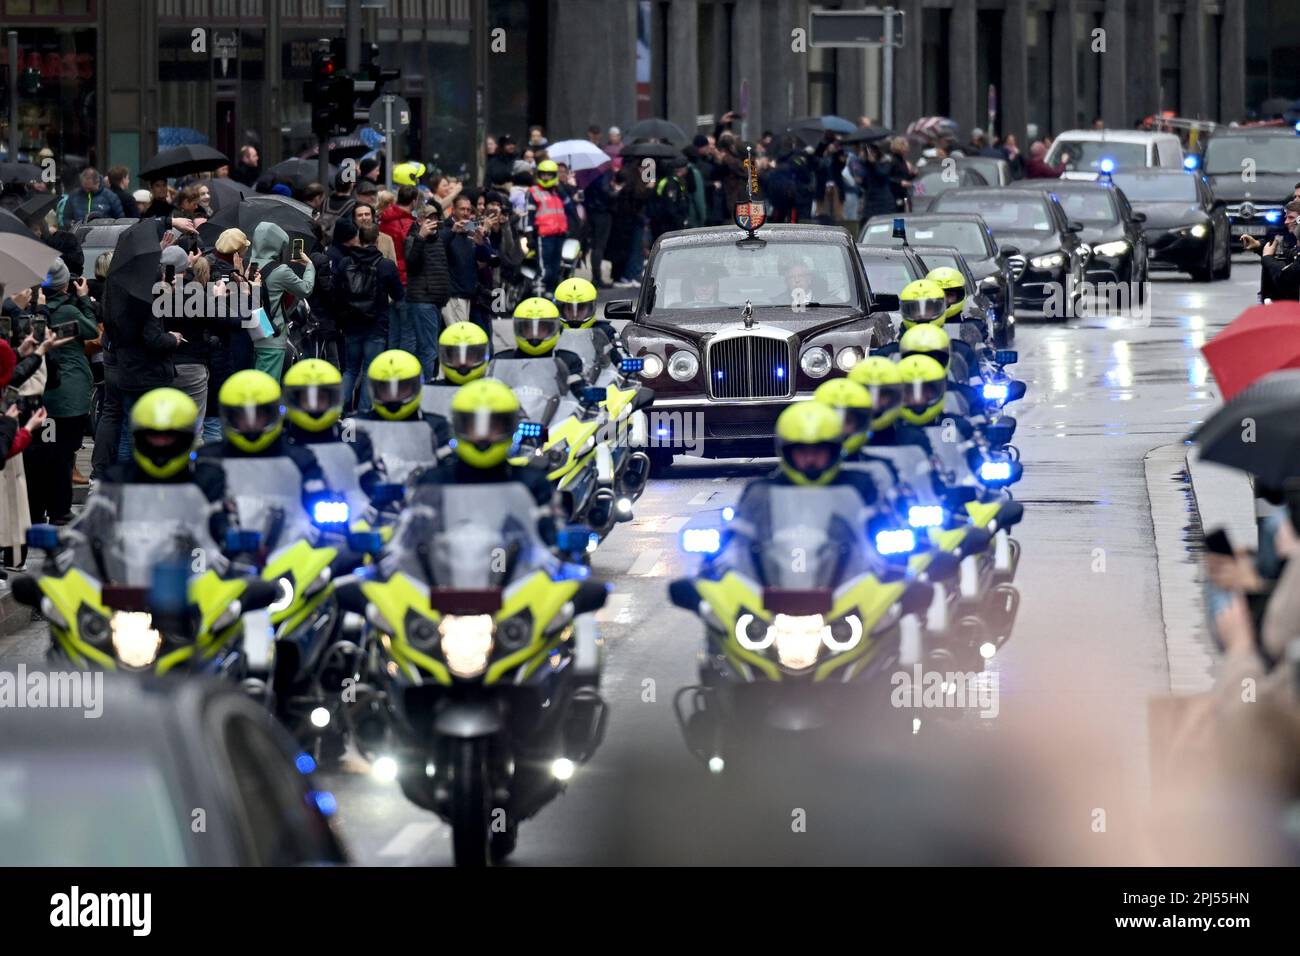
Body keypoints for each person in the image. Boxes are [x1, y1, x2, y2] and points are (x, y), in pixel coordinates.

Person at [197, 370, 327, 554]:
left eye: (259, 416)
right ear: (229, 417)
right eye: (242, 417)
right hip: (222, 557)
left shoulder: (300, 458)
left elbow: (321, 502)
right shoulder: (208, 460)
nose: (251, 424)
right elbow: (191, 516)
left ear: (273, 414)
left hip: (289, 553)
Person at [415, 379, 559, 545]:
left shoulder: (532, 484)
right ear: (457, 427)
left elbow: (552, 545)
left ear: (510, 428)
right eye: (473, 427)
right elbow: (411, 544)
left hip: (512, 568)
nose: (483, 437)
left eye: (493, 427)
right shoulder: (432, 483)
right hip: (446, 568)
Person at [106, 387, 232, 543]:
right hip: (133, 563)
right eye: (154, 436)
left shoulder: (207, 479)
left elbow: (224, 529)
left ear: (187, 437)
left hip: (196, 563)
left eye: (170, 436)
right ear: (138, 437)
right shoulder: (117, 480)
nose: (161, 444)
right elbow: (92, 533)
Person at [24, 261, 98, 524]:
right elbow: (90, 330)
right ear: (66, 284)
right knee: (63, 454)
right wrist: (84, 300)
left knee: (42, 452)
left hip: (41, 392)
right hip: (68, 395)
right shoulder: (68, 310)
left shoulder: (31, 309)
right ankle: (59, 509)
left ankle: (36, 509)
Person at [282, 358, 383, 517]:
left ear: (334, 398)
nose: (314, 406)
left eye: (320, 398)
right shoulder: (282, 442)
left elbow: (373, 482)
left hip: (351, 519)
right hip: (292, 523)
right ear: (294, 400)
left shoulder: (353, 439)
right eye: (307, 399)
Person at [354, 349, 449, 485]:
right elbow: (343, 463)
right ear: (373, 389)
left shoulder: (438, 425)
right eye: (386, 389)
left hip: (422, 496)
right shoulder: (352, 424)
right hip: (367, 498)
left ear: (416, 387)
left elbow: (448, 466)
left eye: (402, 388)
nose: (394, 396)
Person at [336, 222, 402, 414]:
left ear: (359, 238)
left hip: (351, 325)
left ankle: (338, 410)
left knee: (350, 370)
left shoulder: (345, 263)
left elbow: (336, 292)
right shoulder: (386, 265)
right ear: (377, 240)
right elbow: (398, 295)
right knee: (370, 372)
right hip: (377, 326)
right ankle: (364, 413)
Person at [249, 221, 315, 381]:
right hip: (272, 334)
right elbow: (305, 289)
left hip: (253, 330)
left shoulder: (248, 265)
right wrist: (309, 266)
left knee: (255, 383)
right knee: (267, 387)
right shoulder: (280, 271)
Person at [491, 297, 585, 398]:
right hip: (512, 412)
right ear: (518, 330)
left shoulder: (569, 361)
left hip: (555, 412)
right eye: (528, 328)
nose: (534, 334)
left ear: (555, 329)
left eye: (542, 328)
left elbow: (578, 400)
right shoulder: (502, 361)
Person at [404, 203, 451, 376]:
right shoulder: (413, 239)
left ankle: (427, 382)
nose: (433, 222)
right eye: (428, 218)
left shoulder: (439, 239)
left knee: (429, 348)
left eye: (435, 218)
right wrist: (420, 238)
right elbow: (412, 265)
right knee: (428, 350)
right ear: (419, 221)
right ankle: (426, 389)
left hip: (436, 301)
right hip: (422, 300)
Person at [441, 193, 491, 326]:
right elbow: (438, 250)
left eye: (468, 210)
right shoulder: (446, 229)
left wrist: (482, 241)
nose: (465, 213)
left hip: (469, 292)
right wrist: (453, 231)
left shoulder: (472, 228)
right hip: (453, 292)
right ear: (453, 210)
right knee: (459, 335)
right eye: (462, 209)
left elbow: (488, 257)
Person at [527, 159, 569, 293]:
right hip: (544, 236)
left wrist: (561, 189)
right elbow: (529, 216)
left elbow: (570, 207)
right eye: (543, 174)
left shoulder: (557, 192)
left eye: (549, 174)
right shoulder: (534, 192)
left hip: (559, 235)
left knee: (556, 269)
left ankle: (550, 296)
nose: (546, 177)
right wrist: (529, 237)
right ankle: (538, 296)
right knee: (545, 270)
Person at [651, 158, 691, 240]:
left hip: (667, 222)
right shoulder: (671, 183)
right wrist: (679, 221)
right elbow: (670, 205)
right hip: (670, 224)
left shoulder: (668, 181)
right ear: (681, 170)